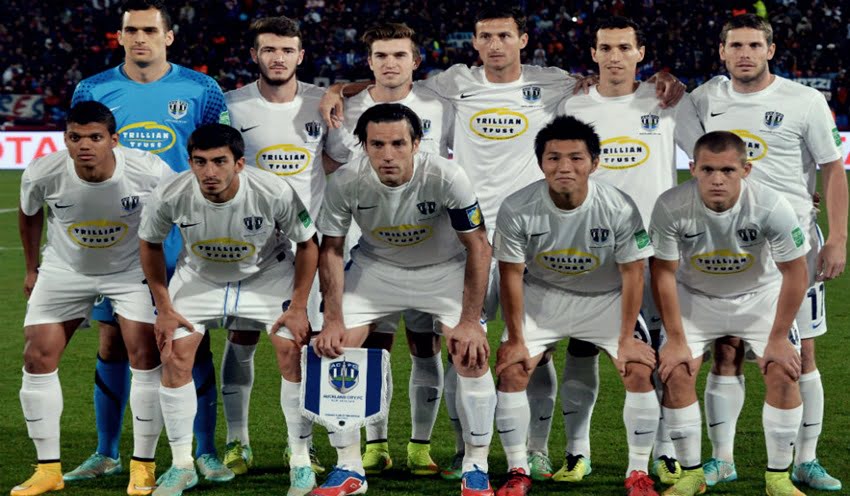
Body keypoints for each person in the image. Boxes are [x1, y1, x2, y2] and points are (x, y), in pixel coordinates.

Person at [321, 7, 685, 480]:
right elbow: (393, 84)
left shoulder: (554, 83)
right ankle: (463, 448)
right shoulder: (452, 83)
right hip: (460, 234)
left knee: (536, 345)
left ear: (523, 39)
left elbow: (598, 82)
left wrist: (661, 75)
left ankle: (536, 450)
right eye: (486, 37)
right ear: (474, 42)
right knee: (460, 344)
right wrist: (338, 89)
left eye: (505, 36)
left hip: (531, 229)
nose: (496, 45)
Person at [68, 0, 232, 484]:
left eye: (149, 30)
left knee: (189, 341)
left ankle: (205, 452)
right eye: (130, 30)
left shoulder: (201, 89)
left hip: (184, 236)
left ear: (169, 37)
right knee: (113, 340)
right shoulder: (93, 88)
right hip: (114, 239)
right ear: (119, 36)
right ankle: (106, 452)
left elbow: (218, 153)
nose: (140, 38)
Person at [690, 14, 847, 491]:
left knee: (803, 355)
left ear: (770, 50)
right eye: (735, 44)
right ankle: (723, 460)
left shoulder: (804, 101)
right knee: (727, 351)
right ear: (721, 52)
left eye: (754, 45)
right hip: (726, 249)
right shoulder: (704, 99)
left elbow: (833, 170)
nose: (744, 53)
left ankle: (807, 460)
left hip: (793, 245)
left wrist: (837, 237)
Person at [310, 103, 493, 496]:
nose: (388, 154)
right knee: (334, 348)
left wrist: (468, 320)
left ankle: (476, 467)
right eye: (377, 145)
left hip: (443, 269)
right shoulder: (345, 182)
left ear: (416, 143)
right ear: (363, 145)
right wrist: (333, 319)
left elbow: (478, 246)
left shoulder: (446, 176)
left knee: (470, 352)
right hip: (377, 270)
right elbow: (332, 251)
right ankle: (348, 469)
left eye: (397, 143)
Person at [558, 16, 704, 485]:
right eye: (606, 47)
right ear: (594, 53)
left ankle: (662, 453)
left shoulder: (667, 100)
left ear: (641, 53)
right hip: (591, 248)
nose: (614, 56)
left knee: (658, 354)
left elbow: (709, 158)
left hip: (659, 252)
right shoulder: (574, 103)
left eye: (624, 47)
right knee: (581, 349)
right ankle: (576, 452)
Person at [138, 123, 319, 496]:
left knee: (291, 349)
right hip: (200, 278)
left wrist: (299, 305)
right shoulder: (170, 193)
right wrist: (164, 306)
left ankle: (300, 459)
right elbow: (149, 243)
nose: (209, 172)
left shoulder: (272, 190)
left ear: (239, 163)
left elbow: (308, 243)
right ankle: (182, 465)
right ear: (189, 162)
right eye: (200, 162)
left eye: (219, 162)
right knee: (175, 353)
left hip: (266, 276)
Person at [491, 115, 659, 496]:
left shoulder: (618, 206)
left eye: (576, 158)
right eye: (553, 158)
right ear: (540, 163)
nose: (564, 167)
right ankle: (518, 469)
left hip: (606, 299)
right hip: (543, 297)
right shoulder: (517, 207)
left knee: (637, 369)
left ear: (595, 163)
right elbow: (511, 275)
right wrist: (517, 337)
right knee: (514, 369)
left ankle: (637, 472)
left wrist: (625, 338)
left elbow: (634, 274)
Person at [13, 101, 171, 496]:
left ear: (113, 140)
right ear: (65, 138)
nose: (85, 145)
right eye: (75, 137)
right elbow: (29, 213)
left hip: (129, 271)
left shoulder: (148, 170)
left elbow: (178, 205)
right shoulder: (43, 172)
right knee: (37, 357)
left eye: (95, 137)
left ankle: (143, 466)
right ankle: (47, 470)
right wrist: (32, 270)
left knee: (145, 355)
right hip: (65, 270)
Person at [323, 21, 455, 477]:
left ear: (415, 61)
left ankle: (420, 445)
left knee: (425, 347)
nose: (390, 63)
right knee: (371, 349)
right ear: (370, 61)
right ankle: (374, 444)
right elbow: (333, 166)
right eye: (381, 56)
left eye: (399, 55)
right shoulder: (346, 108)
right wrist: (338, 88)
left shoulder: (441, 103)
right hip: (370, 251)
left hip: (430, 250)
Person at [652, 131, 810, 496]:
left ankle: (777, 478)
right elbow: (663, 272)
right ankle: (692, 473)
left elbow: (795, 271)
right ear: (692, 168)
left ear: (746, 170)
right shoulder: (670, 205)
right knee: (675, 371)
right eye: (707, 169)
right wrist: (675, 339)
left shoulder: (771, 206)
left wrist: (778, 337)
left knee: (783, 371)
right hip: (695, 298)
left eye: (727, 170)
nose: (717, 179)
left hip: (759, 298)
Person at [222, 15, 329, 476]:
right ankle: (236, 442)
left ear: (300, 55)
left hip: (306, 250)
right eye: (269, 49)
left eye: (287, 50)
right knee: (240, 338)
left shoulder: (323, 104)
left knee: (297, 347)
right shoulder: (231, 105)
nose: (278, 57)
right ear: (255, 55)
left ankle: (298, 449)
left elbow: (339, 164)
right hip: (249, 247)